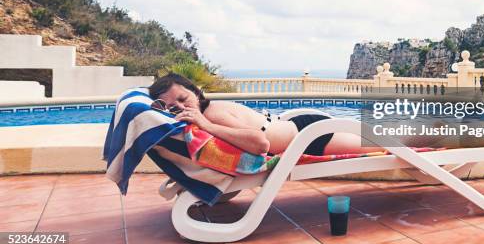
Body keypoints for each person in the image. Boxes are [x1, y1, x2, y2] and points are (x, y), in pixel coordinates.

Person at [148, 73, 383, 156]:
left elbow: (261, 144)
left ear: (197, 93)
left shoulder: (212, 114)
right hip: (300, 132)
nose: (178, 107)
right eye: (170, 107)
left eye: (183, 98)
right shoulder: (206, 115)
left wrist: (205, 124)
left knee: (382, 143)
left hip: (309, 136)